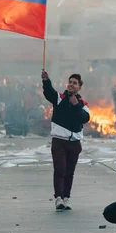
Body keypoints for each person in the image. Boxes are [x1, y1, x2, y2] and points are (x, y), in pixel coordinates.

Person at [42, 70, 90, 211]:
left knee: (70, 172)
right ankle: (58, 198)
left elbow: (85, 118)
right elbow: (49, 92)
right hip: (59, 141)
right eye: (70, 82)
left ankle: (66, 198)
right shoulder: (59, 97)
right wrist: (46, 81)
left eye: (74, 83)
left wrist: (76, 105)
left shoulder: (83, 104)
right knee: (60, 169)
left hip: (75, 143)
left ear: (79, 87)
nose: (71, 85)